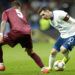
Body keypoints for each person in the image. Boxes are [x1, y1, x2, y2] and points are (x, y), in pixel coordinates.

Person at [0, 1, 44, 71]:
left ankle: (1, 64)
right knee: (31, 52)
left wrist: (1, 34)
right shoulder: (21, 14)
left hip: (16, 31)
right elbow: (27, 27)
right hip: (27, 33)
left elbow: (3, 22)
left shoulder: (6, 11)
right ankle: (43, 68)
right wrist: (28, 42)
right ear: (19, 7)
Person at [39, 7, 75, 73]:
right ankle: (49, 67)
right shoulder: (51, 22)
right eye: (41, 16)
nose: (42, 17)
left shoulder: (59, 14)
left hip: (73, 34)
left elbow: (73, 21)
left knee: (63, 49)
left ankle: (66, 58)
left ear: (47, 11)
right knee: (53, 52)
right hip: (63, 35)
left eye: (43, 14)